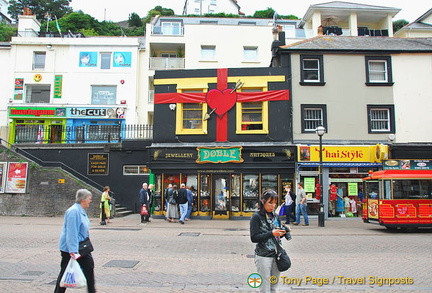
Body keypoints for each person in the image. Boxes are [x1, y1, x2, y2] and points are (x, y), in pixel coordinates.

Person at [54, 189, 96, 293]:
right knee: (65, 272)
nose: (90, 201)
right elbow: (71, 232)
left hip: (82, 247)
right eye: (89, 199)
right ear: (83, 200)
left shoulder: (81, 210)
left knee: (89, 268)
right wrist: (73, 251)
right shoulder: (74, 211)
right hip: (73, 249)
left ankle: (92, 290)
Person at [250, 189, 290, 293]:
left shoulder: (275, 216)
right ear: (263, 202)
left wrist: (283, 232)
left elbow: (276, 236)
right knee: (265, 288)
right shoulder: (256, 217)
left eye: (275, 203)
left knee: (273, 287)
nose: (273, 206)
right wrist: (272, 233)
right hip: (263, 256)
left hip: (277, 255)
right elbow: (254, 237)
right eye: (270, 203)